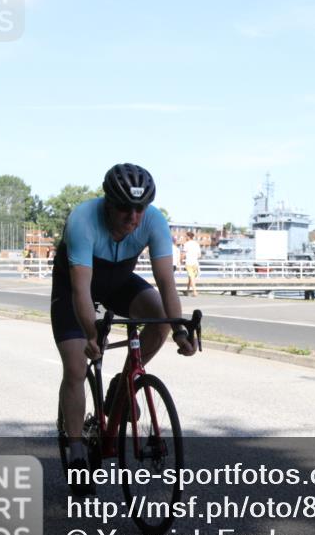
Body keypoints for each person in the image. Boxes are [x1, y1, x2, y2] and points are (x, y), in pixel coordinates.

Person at [51, 163, 196, 494]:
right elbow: (81, 290)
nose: (133, 217)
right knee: (75, 366)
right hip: (76, 286)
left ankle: (122, 384)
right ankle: (76, 453)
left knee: (158, 321)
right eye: (124, 209)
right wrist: (90, 334)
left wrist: (179, 331)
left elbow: (166, 283)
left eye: (139, 209)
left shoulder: (154, 221)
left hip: (118, 281)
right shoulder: (83, 220)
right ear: (107, 203)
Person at [183, 231, 202, 296]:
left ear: (188, 237)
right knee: (191, 277)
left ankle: (195, 292)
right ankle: (187, 291)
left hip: (189, 262)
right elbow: (199, 255)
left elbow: (184, 254)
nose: (185, 237)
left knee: (192, 277)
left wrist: (180, 260)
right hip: (195, 263)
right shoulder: (196, 244)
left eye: (186, 236)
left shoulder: (186, 244)